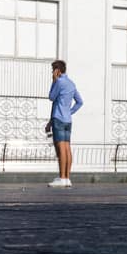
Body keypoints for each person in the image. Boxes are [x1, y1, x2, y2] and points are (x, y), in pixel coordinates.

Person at [44, 59, 84, 188]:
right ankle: (67, 178)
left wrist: (54, 81)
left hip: (59, 119)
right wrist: (69, 112)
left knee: (61, 149)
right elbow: (79, 102)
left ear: (57, 70)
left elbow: (51, 97)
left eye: (53, 70)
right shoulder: (71, 83)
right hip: (67, 120)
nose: (52, 72)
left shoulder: (59, 82)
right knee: (67, 148)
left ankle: (62, 178)